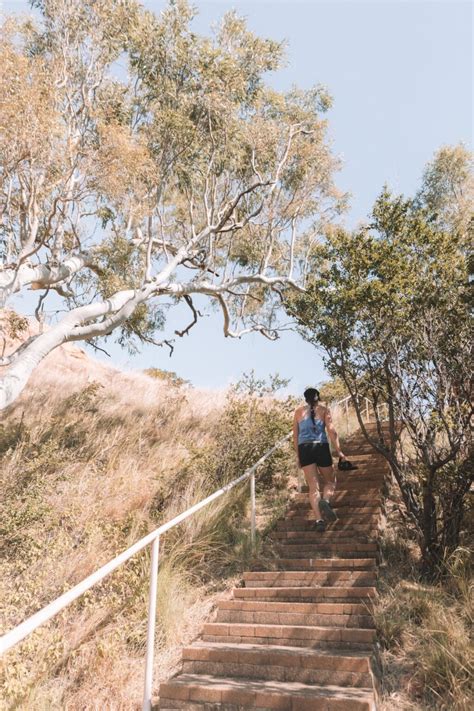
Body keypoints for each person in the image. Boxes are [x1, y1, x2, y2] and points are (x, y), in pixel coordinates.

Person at [293, 387, 347, 532]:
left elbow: (295, 437)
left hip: (304, 449)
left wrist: (298, 456)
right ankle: (326, 501)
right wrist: (339, 451)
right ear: (319, 397)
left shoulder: (298, 412)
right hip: (320, 447)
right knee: (330, 481)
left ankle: (319, 520)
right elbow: (331, 431)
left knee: (313, 487)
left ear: (305, 399)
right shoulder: (324, 410)